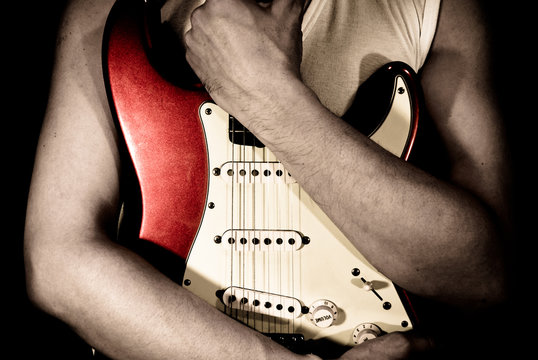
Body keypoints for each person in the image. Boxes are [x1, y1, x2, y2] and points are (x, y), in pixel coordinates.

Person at [24, 0, 511, 358]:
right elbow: (59, 261)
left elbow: (485, 279)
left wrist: (271, 97)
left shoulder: (434, 10)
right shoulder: (107, 12)